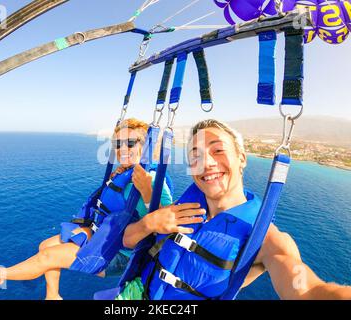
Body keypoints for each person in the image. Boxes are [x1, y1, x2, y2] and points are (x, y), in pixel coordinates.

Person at [117, 119, 351, 300]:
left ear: (242, 159)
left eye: (217, 150)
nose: (206, 162)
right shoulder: (179, 210)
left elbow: (307, 289)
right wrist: (149, 221)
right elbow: (127, 240)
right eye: (195, 156)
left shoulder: (267, 241)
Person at [0, 118, 173, 300]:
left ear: (145, 145)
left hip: (121, 254)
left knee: (47, 258)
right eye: (118, 144)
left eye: (130, 142)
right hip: (104, 236)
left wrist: (147, 192)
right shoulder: (125, 173)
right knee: (44, 246)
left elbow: (168, 225)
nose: (122, 148)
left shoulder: (152, 179)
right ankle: (53, 296)